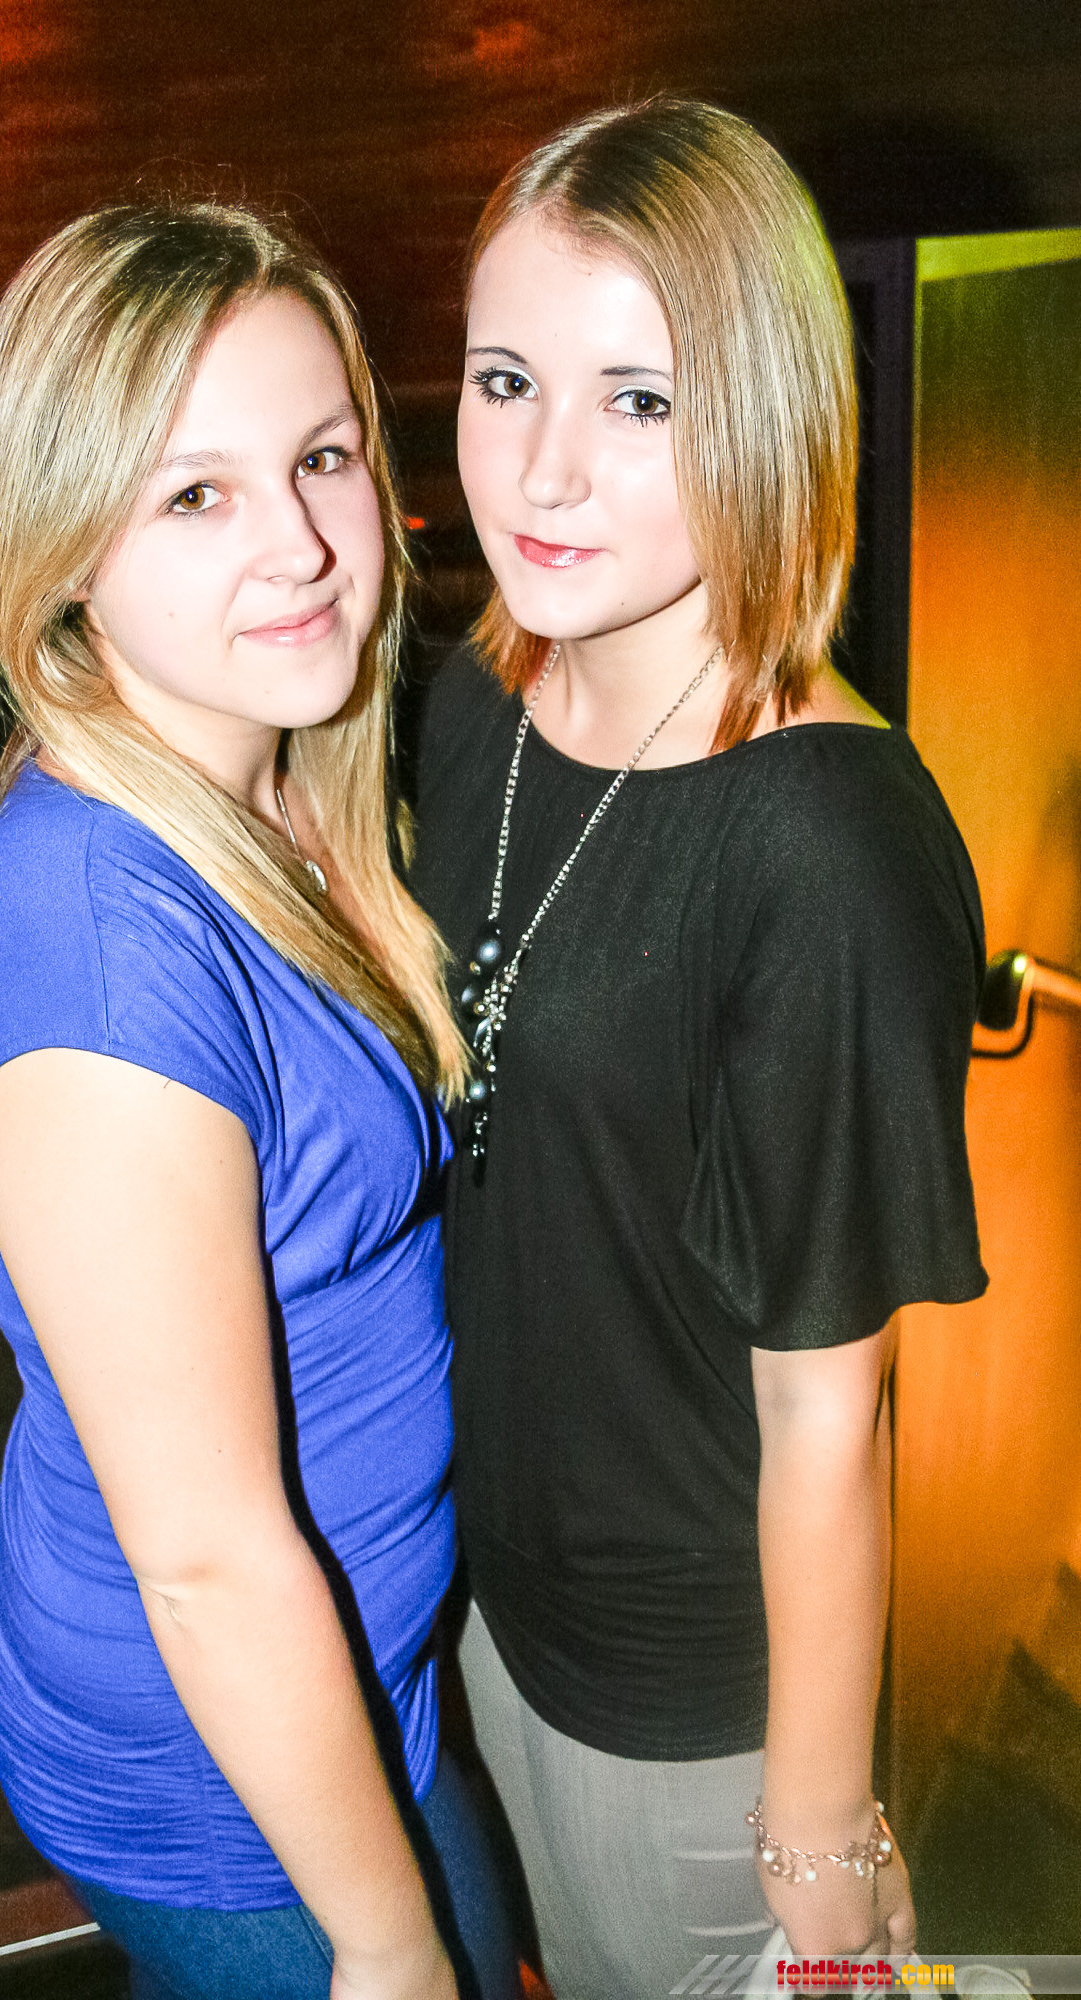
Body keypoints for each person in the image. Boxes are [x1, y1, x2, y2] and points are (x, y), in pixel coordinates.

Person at [409, 101, 987, 1999]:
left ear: (763, 417)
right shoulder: (476, 704)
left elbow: (829, 1409)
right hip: (480, 1598)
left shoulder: (821, 840)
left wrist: (815, 1831)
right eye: (506, 379)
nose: (543, 468)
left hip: (687, 1695)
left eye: (639, 401)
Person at [0, 201, 520, 2000]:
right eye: (195, 494)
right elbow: (204, 1560)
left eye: (320, 457)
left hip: (359, 1672)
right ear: (63, 551)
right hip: (219, 1767)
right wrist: (386, 1946)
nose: (304, 545)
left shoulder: (270, 782)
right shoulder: (103, 965)